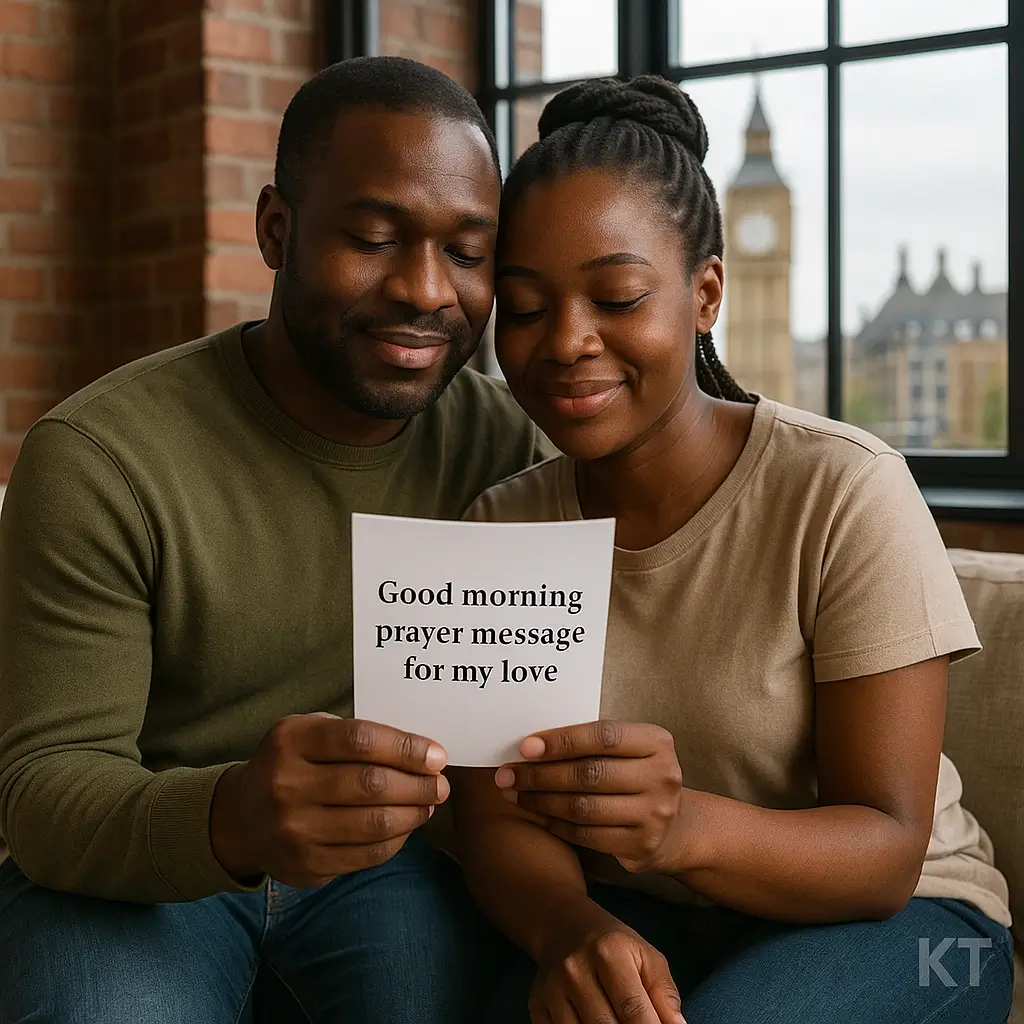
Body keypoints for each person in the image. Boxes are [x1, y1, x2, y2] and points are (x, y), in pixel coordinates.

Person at [451, 76, 1015, 1024]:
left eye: (618, 296)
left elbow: (885, 855)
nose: (567, 341)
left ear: (706, 293)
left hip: (919, 929)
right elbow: (495, 820)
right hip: (642, 910)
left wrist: (678, 826)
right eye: (526, 306)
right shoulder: (501, 531)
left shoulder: (842, 491)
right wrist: (566, 929)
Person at [0, 56, 552, 1024]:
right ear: (275, 228)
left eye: (468, 253)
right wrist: (235, 815)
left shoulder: (512, 451)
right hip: (144, 868)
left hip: (396, 869)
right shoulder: (100, 457)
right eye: (374, 238)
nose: (426, 290)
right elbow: (42, 794)